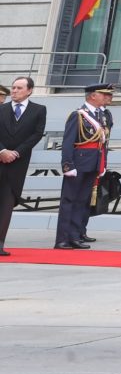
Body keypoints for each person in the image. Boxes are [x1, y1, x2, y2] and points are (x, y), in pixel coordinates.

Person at [55, 83, 113, 250]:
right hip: (78, 163)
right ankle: (62, 239)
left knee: (82, 201)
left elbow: (103, 143)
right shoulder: (78, 115)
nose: (107, 97)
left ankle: (75, 237)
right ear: (92, 95)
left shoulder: (101, 115)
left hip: (94, 162)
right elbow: (67, 143)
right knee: (69, 201)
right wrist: (67, 165)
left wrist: (102, 164)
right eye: (103, 94)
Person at [0, 76, 47, 257]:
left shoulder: (38, 110)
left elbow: (36, 134)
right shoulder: (2, 109)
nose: (14, 91)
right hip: (0, 157)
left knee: (7, 203)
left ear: (29, 90)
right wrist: (2, 151)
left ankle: (0, 243)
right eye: (13, 88)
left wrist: (16, 153)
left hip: (17, 164)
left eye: (19, 88)